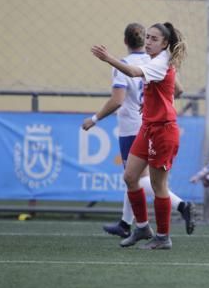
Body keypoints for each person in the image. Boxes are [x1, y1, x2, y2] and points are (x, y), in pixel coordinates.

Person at [82, 22, 194, 239]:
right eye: (147, 37)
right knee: (130, 176)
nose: (148, 42)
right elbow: (177, 89)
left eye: (153, 38)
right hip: (145, 124)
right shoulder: (153, 60)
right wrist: (155, 103)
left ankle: (170, 221)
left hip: (151, 128)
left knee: (153, 183)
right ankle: (135, 225)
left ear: (164, 43)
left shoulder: (148, 63)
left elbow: (123, 91)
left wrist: (108, 58)